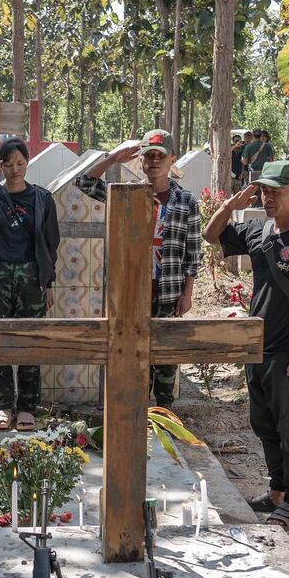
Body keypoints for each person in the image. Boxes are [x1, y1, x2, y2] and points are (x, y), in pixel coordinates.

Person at [204, 160, 289, 529]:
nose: (267, 197)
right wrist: (228, 207)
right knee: (262, 422)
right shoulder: (256, 230)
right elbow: (210, 235)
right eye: (264, 190)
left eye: (275, 191)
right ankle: (277, 490)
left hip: (288, 349)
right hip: (255, 345)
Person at [78, 129, 201, 408]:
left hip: (168, 292)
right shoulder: (125, 194)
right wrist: (112, 158)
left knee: (165, 357)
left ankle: (164, 416)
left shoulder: (185, 202)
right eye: (149, 155)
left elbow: (192, 254)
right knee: (133, 356)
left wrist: (187, 293)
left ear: (172, 160)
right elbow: (85, 182)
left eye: (160, 156)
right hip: (131, 292)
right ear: (141, 161)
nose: (154, 161)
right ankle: (136, 418)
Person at [0, 137, 61, 431]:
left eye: (20, 163)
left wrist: (49, 282)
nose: (15, 169)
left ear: (27, 162)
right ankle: (4, 405)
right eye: (9, 164)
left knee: (30, 340)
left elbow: (51, 243)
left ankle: (28, 406)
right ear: (0, 165)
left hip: (31, 278)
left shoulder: (43, 198)